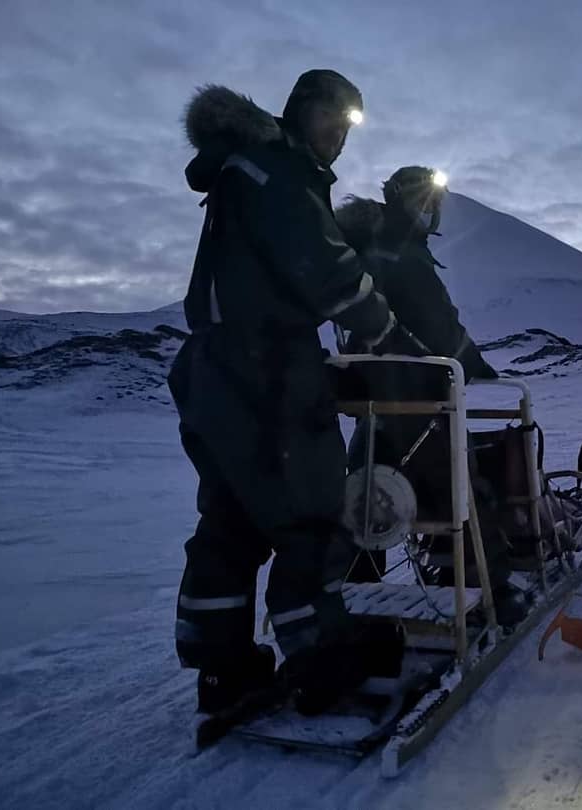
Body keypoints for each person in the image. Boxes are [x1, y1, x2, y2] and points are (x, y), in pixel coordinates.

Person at [168, 69, 400, 717]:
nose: (340, 137)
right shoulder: (279, 171)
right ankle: (321, 657)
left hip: (213, 366)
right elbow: (322, 268)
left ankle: (222, 667)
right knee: (312, 511)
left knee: (233, 517)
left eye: (350, 128)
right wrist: (381, 326)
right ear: (303, 109)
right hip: (265, 367)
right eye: (335, 118)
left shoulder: (243, 170)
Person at [333, 168, 527, 624]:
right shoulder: (403, 253)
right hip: (414, 391)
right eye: (423, 202)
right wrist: (473, 364)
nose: (427, 211)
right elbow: (438, 320)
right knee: (462, 486)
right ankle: (489, 589)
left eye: (431, 204)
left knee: (365, 491)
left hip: (371, 398)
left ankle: (355, 587)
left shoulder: (358, 248)